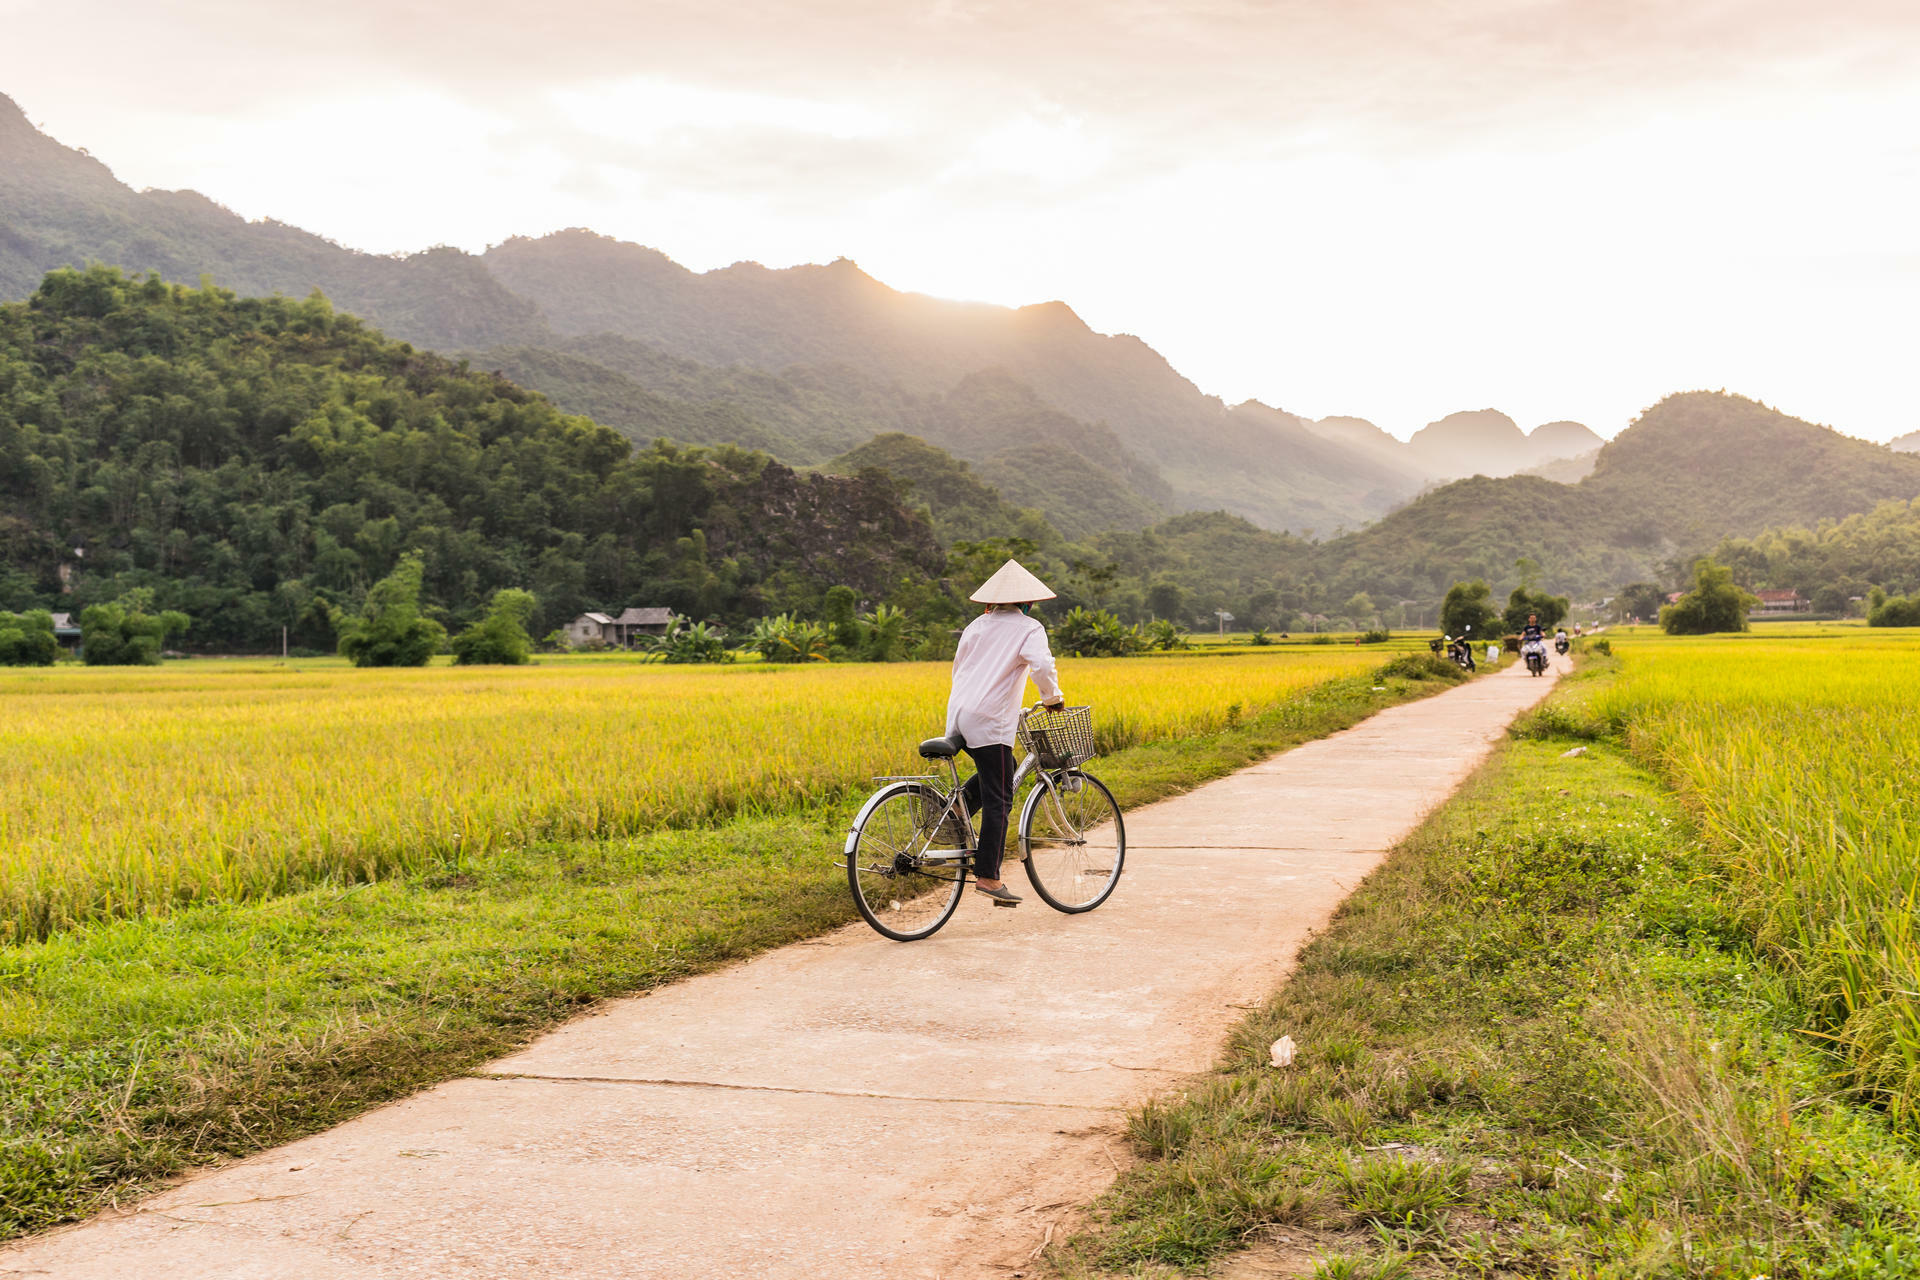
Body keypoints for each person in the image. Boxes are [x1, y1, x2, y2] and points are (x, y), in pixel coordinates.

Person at [945, 559, 1065, 906]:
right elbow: (1041, 665)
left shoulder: (976, 625)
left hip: (961, 713)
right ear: (1027, 601)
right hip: (990, 719)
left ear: (993, 601)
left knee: (1002, 769)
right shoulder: (1029, 628)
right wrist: (1052, 698)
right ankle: (988, 877)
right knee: (1000, 798)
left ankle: (958, 809)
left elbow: (960, 668)